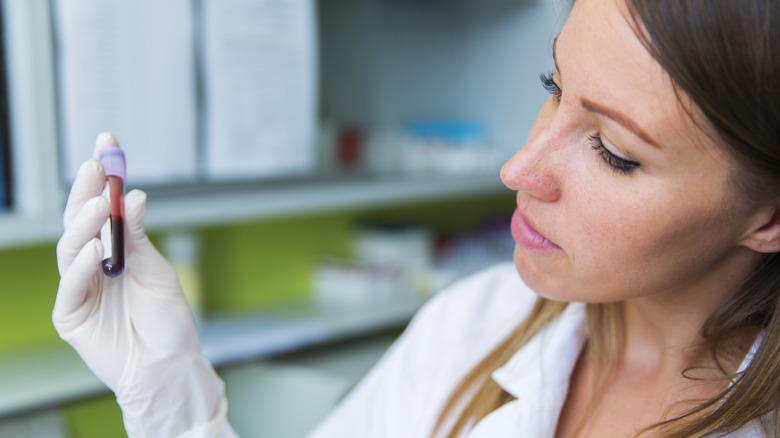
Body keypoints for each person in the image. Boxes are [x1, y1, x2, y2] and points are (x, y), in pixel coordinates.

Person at [53, 0, 780, 436]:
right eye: (553, 87)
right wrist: (176, 403)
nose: (519, 169)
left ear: (767, 216)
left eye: (614, 152)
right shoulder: (472, 323)